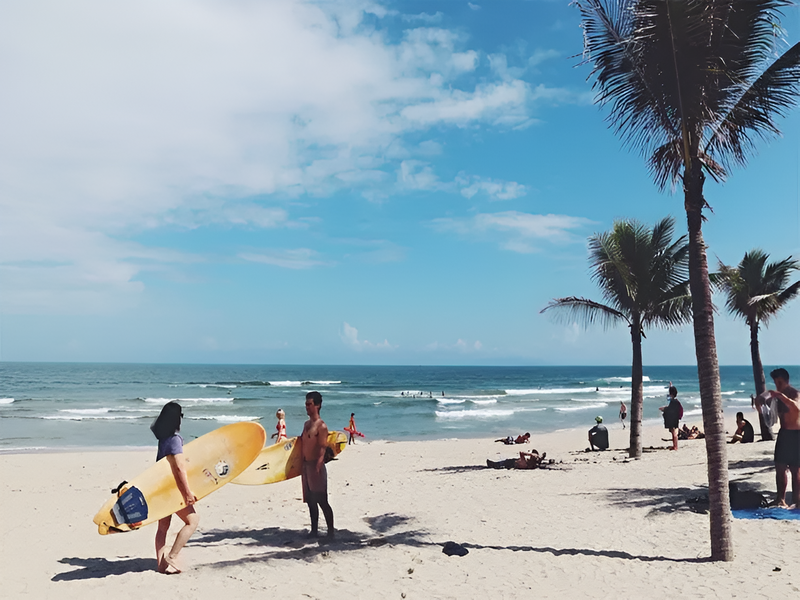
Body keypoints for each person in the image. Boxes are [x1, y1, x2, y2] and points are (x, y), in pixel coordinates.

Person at [152, 402, 199, 574]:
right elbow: (178, 468)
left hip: (161, 489)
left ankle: (161, 565)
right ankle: (172, 556)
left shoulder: (163, 440)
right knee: (193, 521)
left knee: (162, 528)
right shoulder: (175, 439)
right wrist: (187, 493)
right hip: (173, 490)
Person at [301, 391, 335, 538]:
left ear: (318, 405)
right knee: (310, 501)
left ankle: (331, 532)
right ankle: (314, 531)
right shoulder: (306, 424)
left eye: (309, 404)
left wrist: (318, 466)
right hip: (306, 466)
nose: (307, 407)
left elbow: (322, 447)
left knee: (321, 500)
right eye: (306, 404)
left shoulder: (321, 426)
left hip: (316, 466)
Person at [766, 368, 800, 509]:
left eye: (779, 382)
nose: (777, 386)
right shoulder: (777, 396)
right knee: (780, 467)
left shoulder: (794, 393)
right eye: (775, 383)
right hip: (784, 433)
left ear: (786, 381)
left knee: (795, 469)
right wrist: (760, 400)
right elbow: (763, 403)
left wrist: (781, 396)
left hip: (796, 434)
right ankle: (780, 499)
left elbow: (797, 408)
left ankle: (797, 500)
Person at [659, 383, 682, 450]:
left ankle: (675, 446)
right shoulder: (676, 401)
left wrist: (664, 409)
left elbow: (670, 409)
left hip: (673, 419)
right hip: (676, 418)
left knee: (674, 433)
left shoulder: (673, 402)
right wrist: (671, 386)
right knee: (673, 432)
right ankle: (674, 445)